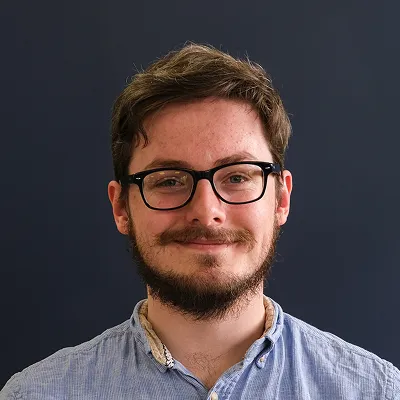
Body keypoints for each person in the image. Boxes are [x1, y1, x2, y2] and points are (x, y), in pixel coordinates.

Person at [1, 43, 399, 400]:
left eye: (237, 177)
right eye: (169, 180)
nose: (206, 211)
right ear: (121, 206)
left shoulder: (377, 392)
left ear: (281, 198)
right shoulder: (35, 395)